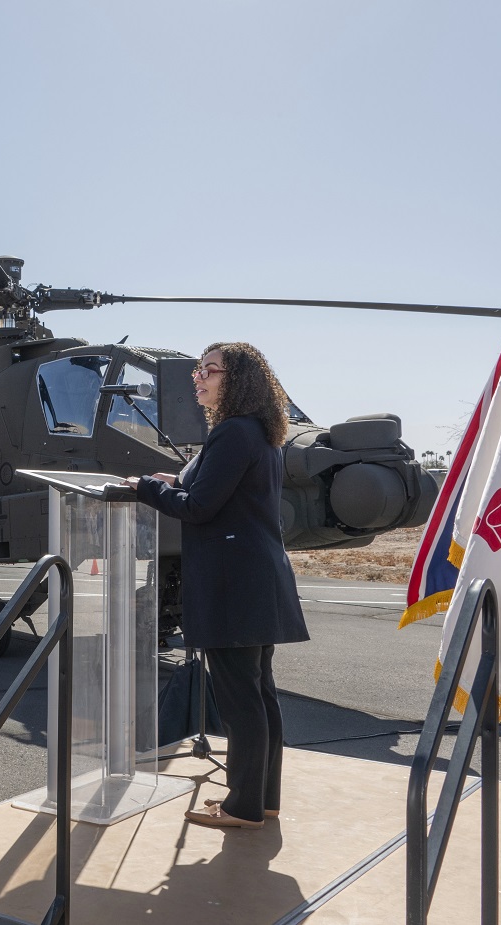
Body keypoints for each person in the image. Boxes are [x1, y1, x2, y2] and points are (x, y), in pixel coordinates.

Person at [126, 342, 308, 830]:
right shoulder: (256, 434)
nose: (199, 378)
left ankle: (241, 807)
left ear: (238, 379)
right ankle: (262, 800)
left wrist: (145, 488)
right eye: (197, 371)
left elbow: (199, 507)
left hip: (234, 585)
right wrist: (174, 478)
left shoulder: (232, 433)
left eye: (210, 370)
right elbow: (212, 489)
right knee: (258, 694)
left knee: (240, 700)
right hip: (255, 580)